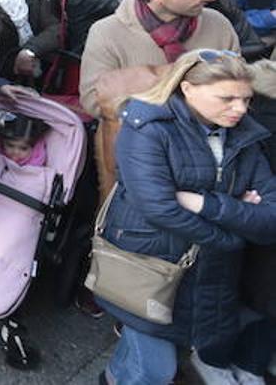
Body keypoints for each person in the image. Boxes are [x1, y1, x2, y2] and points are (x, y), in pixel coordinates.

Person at [97, 51, 276, 385]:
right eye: (227, 98)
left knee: (158, 356)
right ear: (187, 88)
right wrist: (234, 229)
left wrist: (205, 204)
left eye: (246, 99)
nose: (240, 109)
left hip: (210, 274)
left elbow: (271, 216)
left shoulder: (246, 135)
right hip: (152, 265)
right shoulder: (147, 126)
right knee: (155, 368)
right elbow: (159, 208)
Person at [80, 0, 240, 198]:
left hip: (211, 144)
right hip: (138, 150)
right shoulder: (107, 32)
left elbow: (238, 84)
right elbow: (93, 100)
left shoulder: (218, 23)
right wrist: (175, 82)